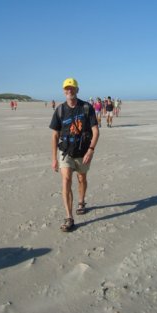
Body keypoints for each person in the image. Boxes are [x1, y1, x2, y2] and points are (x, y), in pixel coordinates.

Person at [49, 78, 99, 232]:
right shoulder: (60, 110)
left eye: (72, 88)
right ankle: (69, 217)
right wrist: (54, 159)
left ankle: (81, 202)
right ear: (64, 91)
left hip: (83, 152)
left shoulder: (86, 107)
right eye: (66, 88)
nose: (69, 91)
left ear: (77, 90)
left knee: (82, 178)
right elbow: (55, 136)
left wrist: (91, 150)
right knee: (66, 180)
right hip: (66, 153)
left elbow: (96, 131)